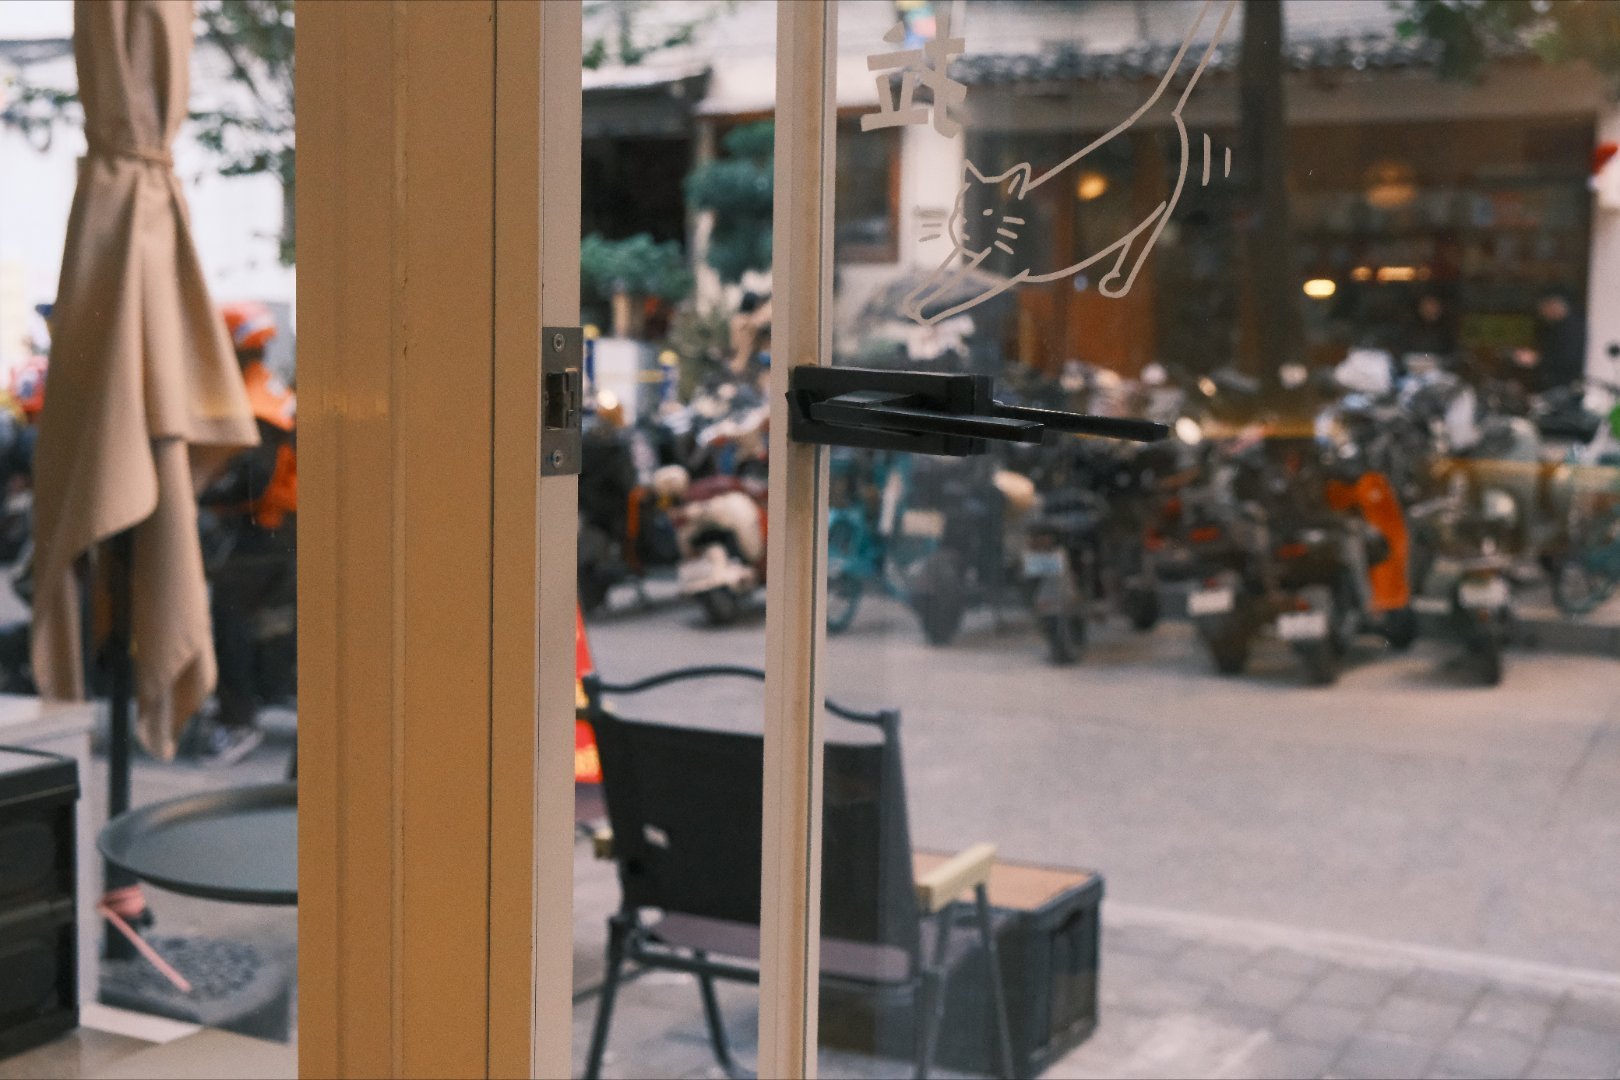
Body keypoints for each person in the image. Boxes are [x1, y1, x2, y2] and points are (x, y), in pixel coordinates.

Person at [195, 301, 297, 765]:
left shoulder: (256, 404)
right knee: (263, 621)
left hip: (266, 532)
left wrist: (203, 494)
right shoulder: (267, 389)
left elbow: (254, 479)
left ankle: (238, 722)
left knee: (229, 618)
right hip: (282, 531)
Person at [1515, 286, 1588, 394]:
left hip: (1564, 386)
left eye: (1543, 308)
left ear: (1553, 306)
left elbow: (1568, 360)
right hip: (1554, 384)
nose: (1542, 313)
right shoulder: (1554, 327)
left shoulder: (1572, 328)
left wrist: (1537, 359)